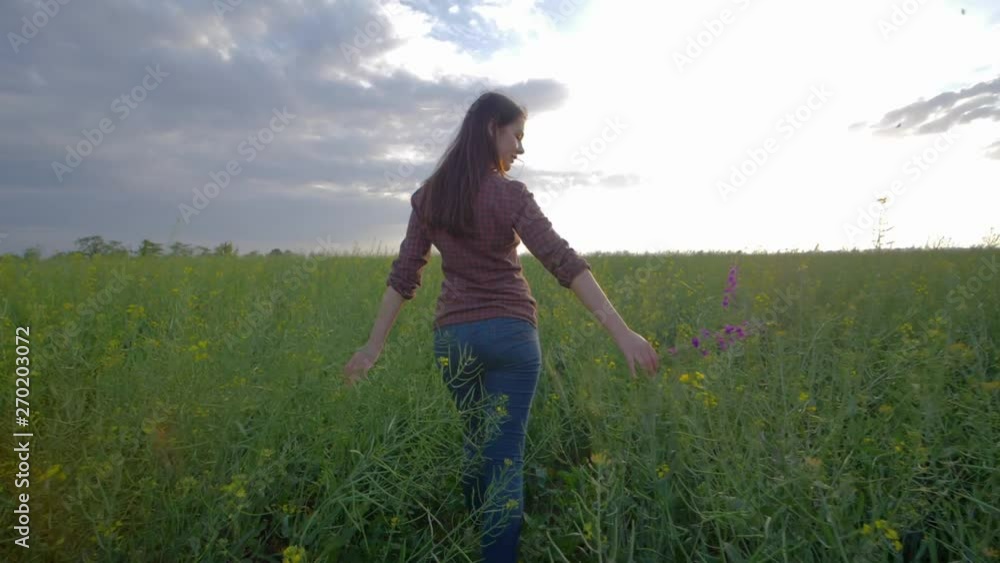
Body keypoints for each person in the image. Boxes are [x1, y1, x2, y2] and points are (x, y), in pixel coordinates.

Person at [343, 91, 659, 562]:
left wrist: (371, 348)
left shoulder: (429, 196)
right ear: (493, 126)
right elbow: (562, 260)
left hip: (455, 341)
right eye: (518, 135)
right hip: (512, 338)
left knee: (477, 444)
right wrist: (622, 332)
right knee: (504, 460)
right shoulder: (509, 194)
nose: (521, 149)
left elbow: (404, 276)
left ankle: (477, 524)